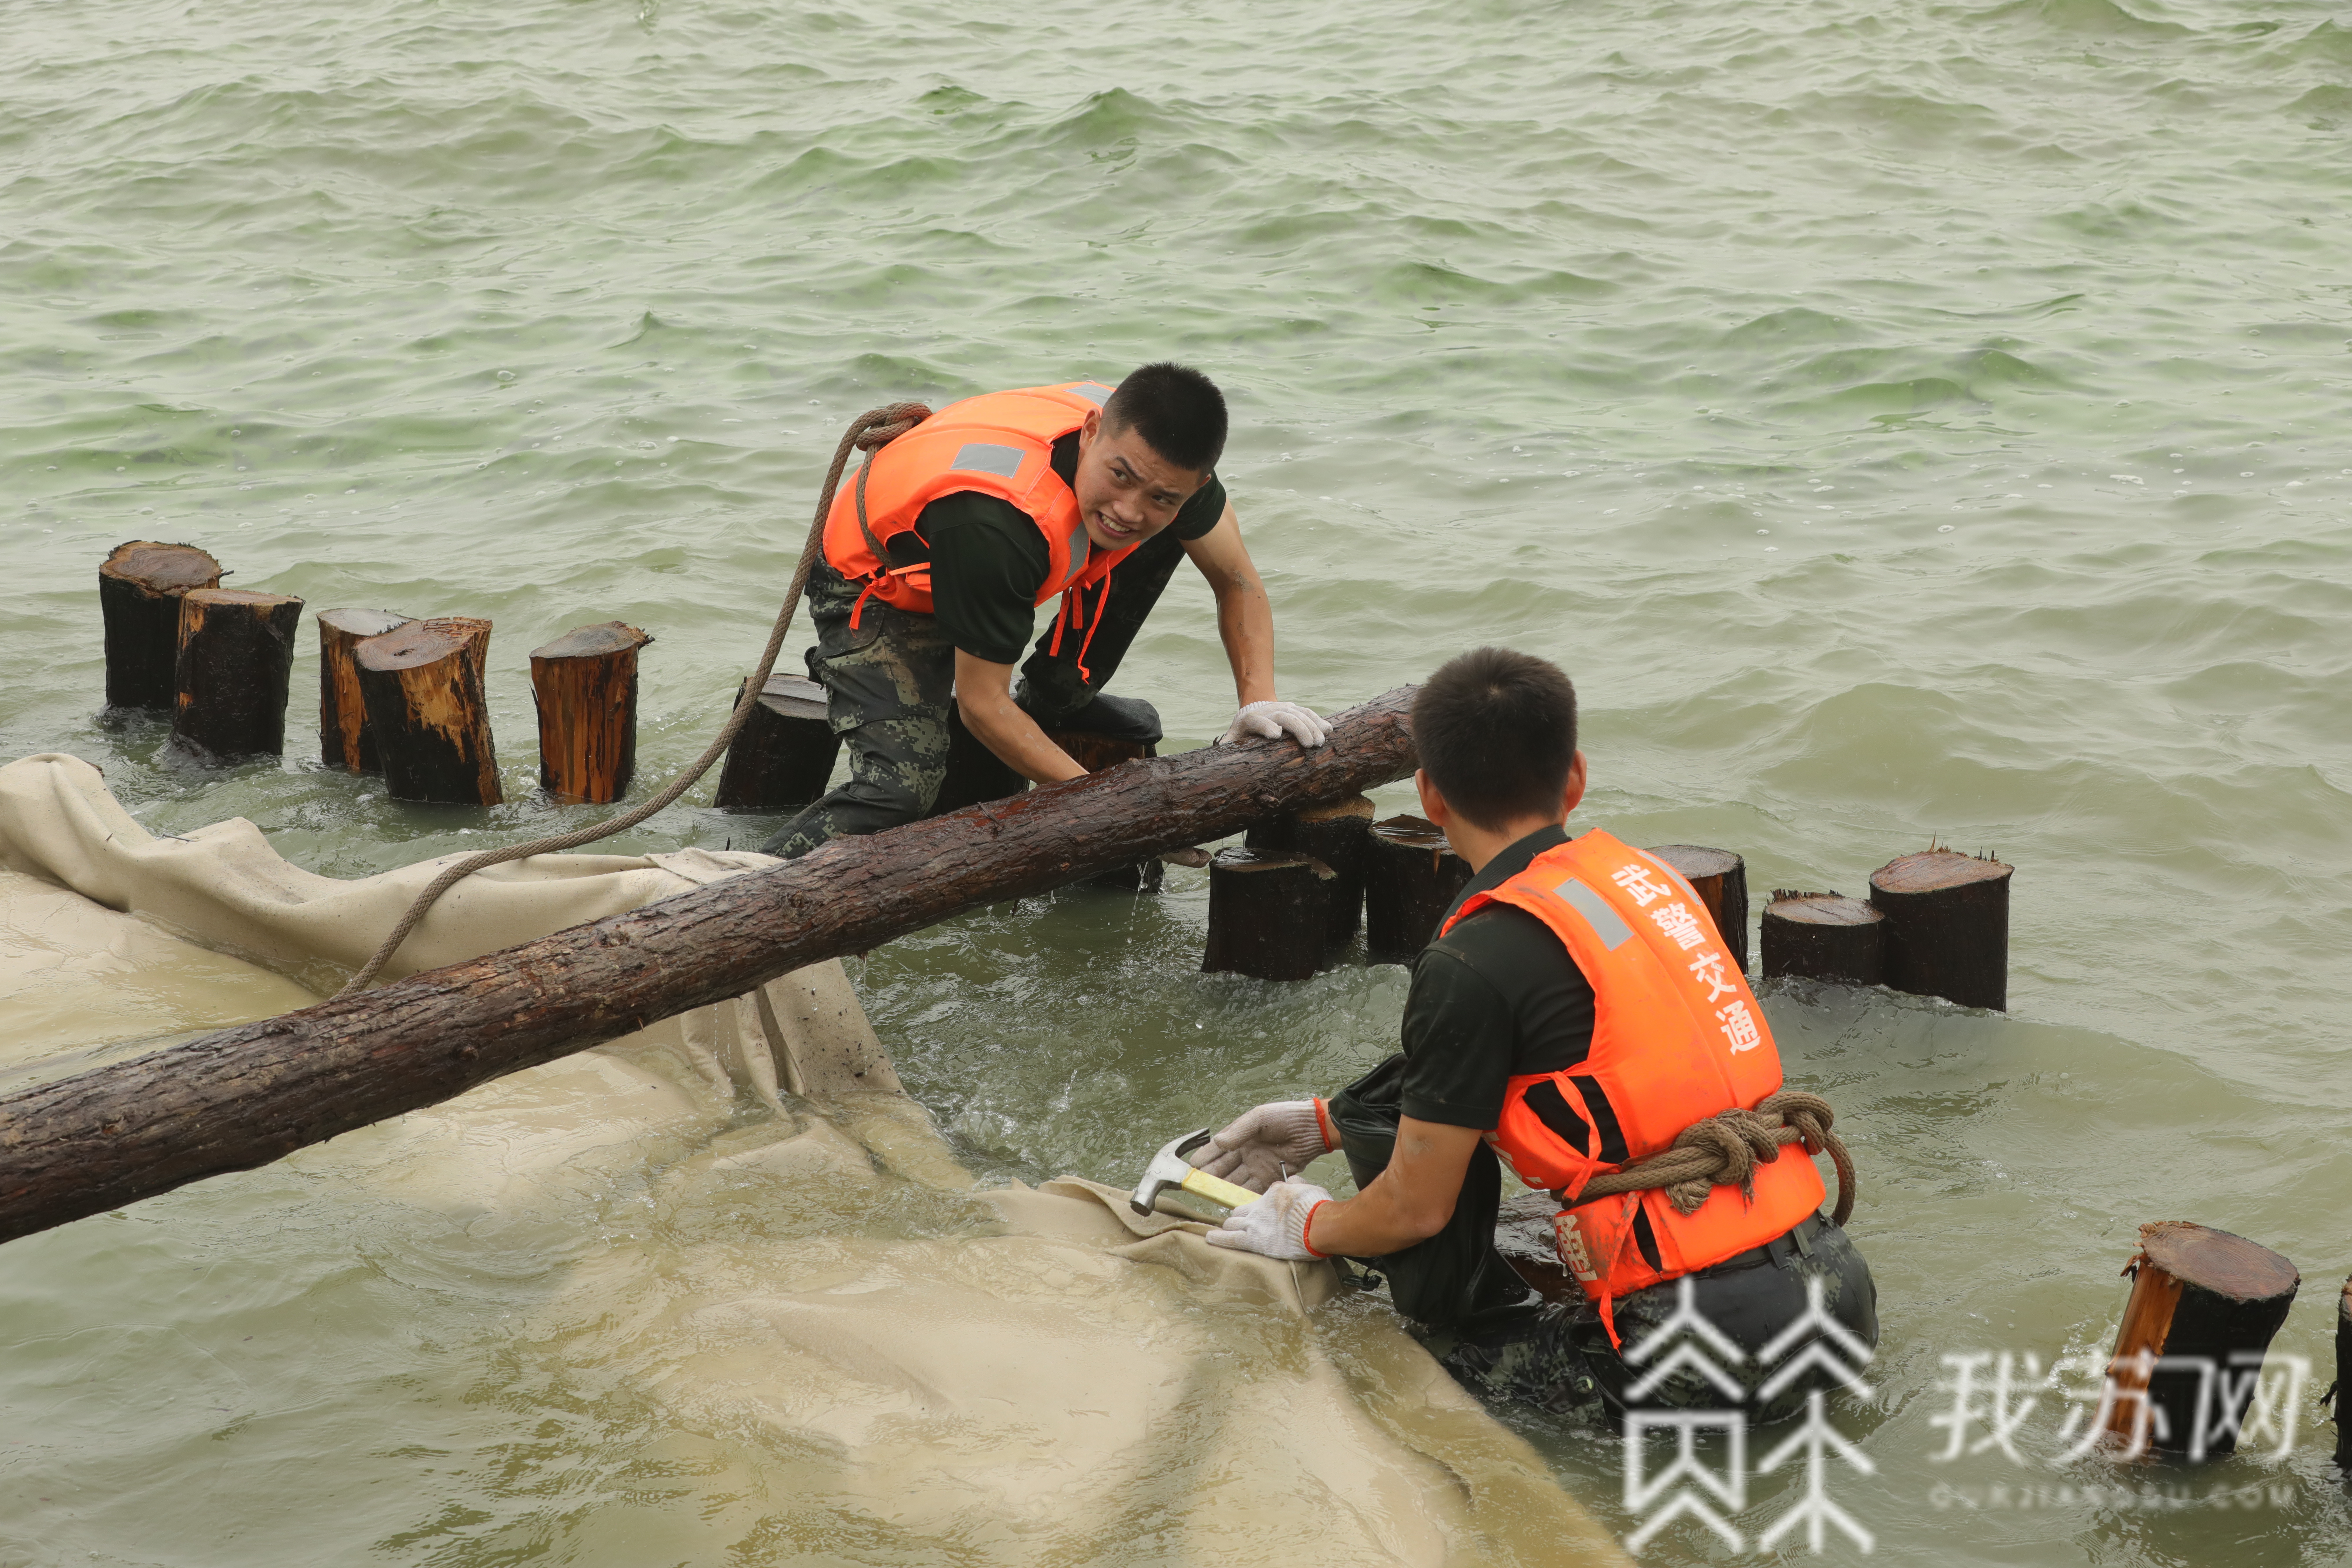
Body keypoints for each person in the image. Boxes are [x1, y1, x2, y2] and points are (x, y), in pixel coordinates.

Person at [1189, 647, 1877, 1420]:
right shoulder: (1650, 883)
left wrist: (1310, 1224)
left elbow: (1415, 1212)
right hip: (1838, 1294)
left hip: (1702, 1353)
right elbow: (1601, 1061)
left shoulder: (1472, 957)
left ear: (1429, 794)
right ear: (1576, 777)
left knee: (1399, 1358)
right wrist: (1327, 1121)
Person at [764, 366, 1327, 857]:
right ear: (1090, 433)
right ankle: (734, 885)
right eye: (1120, 476)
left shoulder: (1165, 464)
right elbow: (982, 707)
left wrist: (1259, 699)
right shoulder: (999, 526)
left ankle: (1053, 698)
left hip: (985, 565)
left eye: (1163, 497)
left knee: (1161, 535)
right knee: (900, 790)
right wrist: (1122, 811)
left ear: (1195, 485)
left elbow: (1237, 583)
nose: (1130, 509)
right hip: (876, 582)